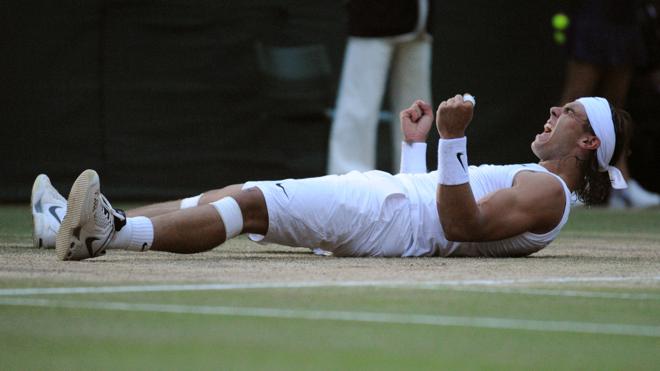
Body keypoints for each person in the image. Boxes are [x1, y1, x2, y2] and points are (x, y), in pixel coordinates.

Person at [32, 94, 631, 261]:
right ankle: (75, 221)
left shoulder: (549, 192)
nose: (554, 112)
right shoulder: (538, 181)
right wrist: (419, 149)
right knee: (230, 196)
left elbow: (457, 222)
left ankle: (108, 235)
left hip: (387, 218)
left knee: (251, 203)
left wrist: (453, 140)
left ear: (587, 142)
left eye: (569, 112)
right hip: (394, 208)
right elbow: (436, 206)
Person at [558, 0, 660, 207]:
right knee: (574, 100)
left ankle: (621, 186)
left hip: (625, 18)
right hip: (593, 12)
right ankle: (560, 181)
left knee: (616, 108)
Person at [327, 0, 433, 174]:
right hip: (372, 17)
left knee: (417, 108)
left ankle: (416, 178)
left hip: (418, 19)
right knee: (359, 106)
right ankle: (350, 183)